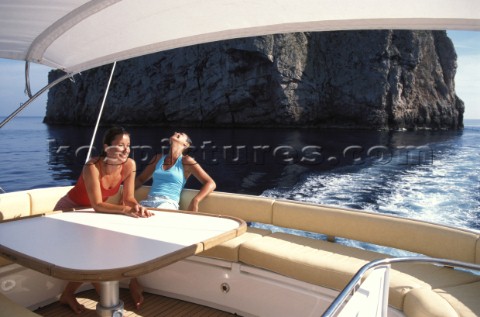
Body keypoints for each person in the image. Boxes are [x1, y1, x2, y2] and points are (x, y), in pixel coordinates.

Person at [54, 126, 152, 314]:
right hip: (69, 211)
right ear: (107, 147)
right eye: (121, 145)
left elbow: (128, 198)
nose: (126, 150)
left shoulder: (129, 165)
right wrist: (125, 210)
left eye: (128, 145)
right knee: (92, 253)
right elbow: (98, 204)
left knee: (103, 250)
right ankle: (90, 294)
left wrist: (136, 206)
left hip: (92, 214)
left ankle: (81, 294)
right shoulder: (92, 167)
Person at [135, 132, 216, 211]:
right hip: (148, 201)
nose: (176, 132)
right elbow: (141, 179)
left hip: (168, 203)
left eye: (181, 134)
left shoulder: (187, 161)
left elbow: (210, 183)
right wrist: (126, 194)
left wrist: (195, 200)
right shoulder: (157, 158)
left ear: (186, 145)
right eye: (176, 132)